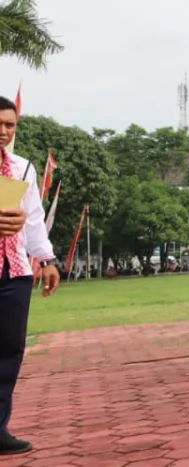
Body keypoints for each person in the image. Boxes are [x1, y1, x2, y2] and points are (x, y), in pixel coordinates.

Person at [0, 96, 61, 455]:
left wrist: (47, 259)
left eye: (10, 125)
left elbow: (33, 219)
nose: (4, 131)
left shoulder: (23, 168)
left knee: (9, 350)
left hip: (15, 272)